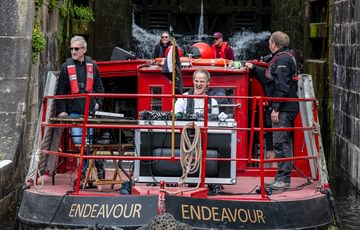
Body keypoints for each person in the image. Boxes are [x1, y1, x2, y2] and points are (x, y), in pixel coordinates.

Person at [245, 31, 299, 190]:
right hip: (286, 106)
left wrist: (275, 108)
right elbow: (272, 78)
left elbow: (281, 86)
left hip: (284, 108)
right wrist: (254, 68)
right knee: (280, 141)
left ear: (273, 44)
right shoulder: (285, 57)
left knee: (280, 142)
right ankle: (281, 178)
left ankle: (283, 179)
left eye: (270, 41)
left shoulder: (282, 59)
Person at [56, 35, 105, 181]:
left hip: (90, 111)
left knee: (87, 143)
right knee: (80, 142)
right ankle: (91, 167)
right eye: (71, 49)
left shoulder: (93, 66)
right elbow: (61, 91)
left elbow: (100, 88)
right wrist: (62, 110)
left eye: (76, 49)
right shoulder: (66, 67)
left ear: (84, 49)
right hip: (74, 112)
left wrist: (98, 103)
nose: (73, 51)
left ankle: (86, 171)